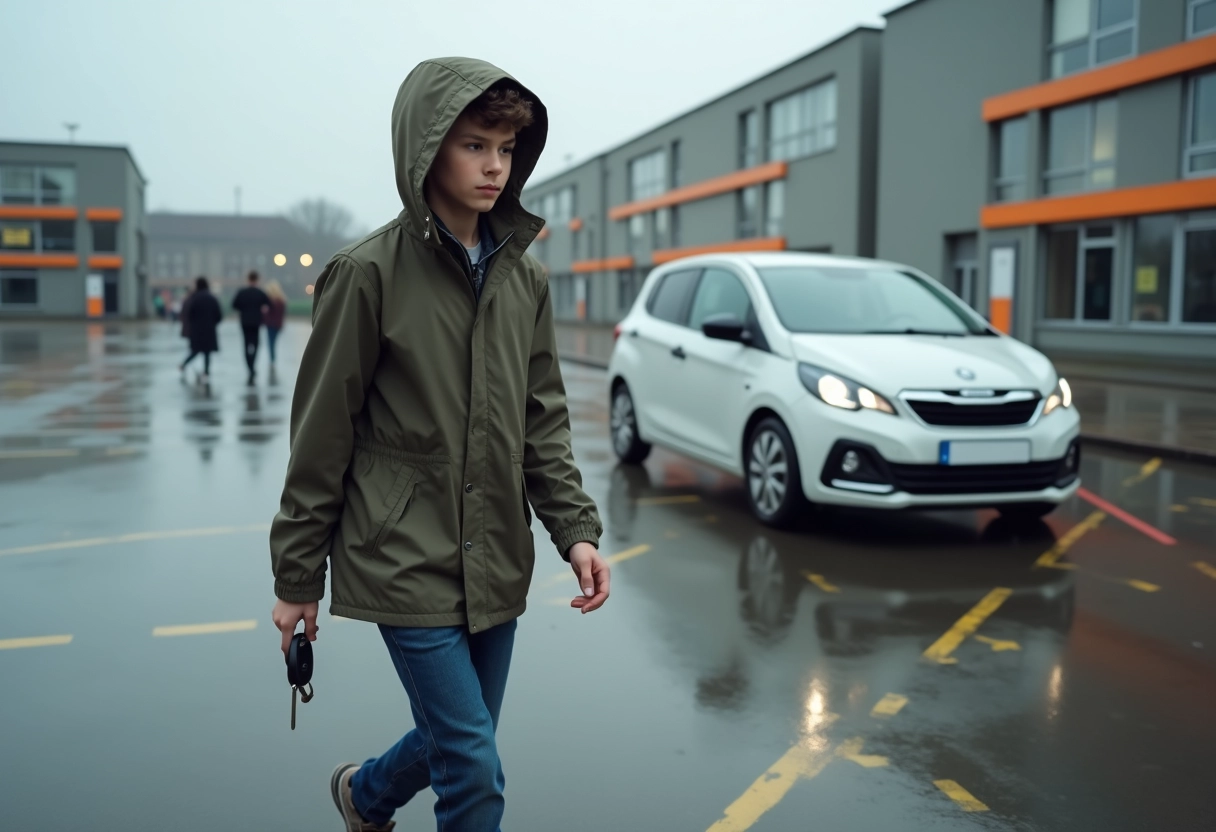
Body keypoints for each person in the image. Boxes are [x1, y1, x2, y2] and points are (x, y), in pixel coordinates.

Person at [269, 58, 610, 832]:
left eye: (506, 148)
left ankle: (364, 797)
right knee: (476, 774)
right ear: (427, 150)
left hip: (494, 551)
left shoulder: (525, 280)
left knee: (461, 740)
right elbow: (321, 438)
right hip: (402, 553)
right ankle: (370, 798)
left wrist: (576, 532)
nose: (495, 165)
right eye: (475, 145)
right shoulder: (365, 274)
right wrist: (298, 577)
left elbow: (543, 422)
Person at [231, 270, 271, 384]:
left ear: (247, 279)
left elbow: (234, 305)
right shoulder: (260, 293)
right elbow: (269, 304)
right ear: (257, 279)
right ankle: (252, 364)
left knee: (246, 343)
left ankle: (249, 367)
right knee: (256, 344)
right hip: (256, 322)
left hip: (244, 322)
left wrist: (243, 309)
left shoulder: (242, 292)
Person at [180, 276, 222, 381]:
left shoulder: (193, 298)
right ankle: (206, 372)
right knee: (207, 352)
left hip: (196, 330)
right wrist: (212, 323)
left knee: (195, 351)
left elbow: (188, 314)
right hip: (209, 329)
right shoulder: (212, 298)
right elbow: (219, 315)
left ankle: (183, 365)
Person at [262, 279, 288, 365]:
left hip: (271, 324)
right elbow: (282, 314)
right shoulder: (282, 300)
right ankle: (272, 359)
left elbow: (268, 313)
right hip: (277, 324)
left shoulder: (272, 301)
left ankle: (272, 359)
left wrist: (264, 312)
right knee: (273, 342)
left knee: (271, 342)